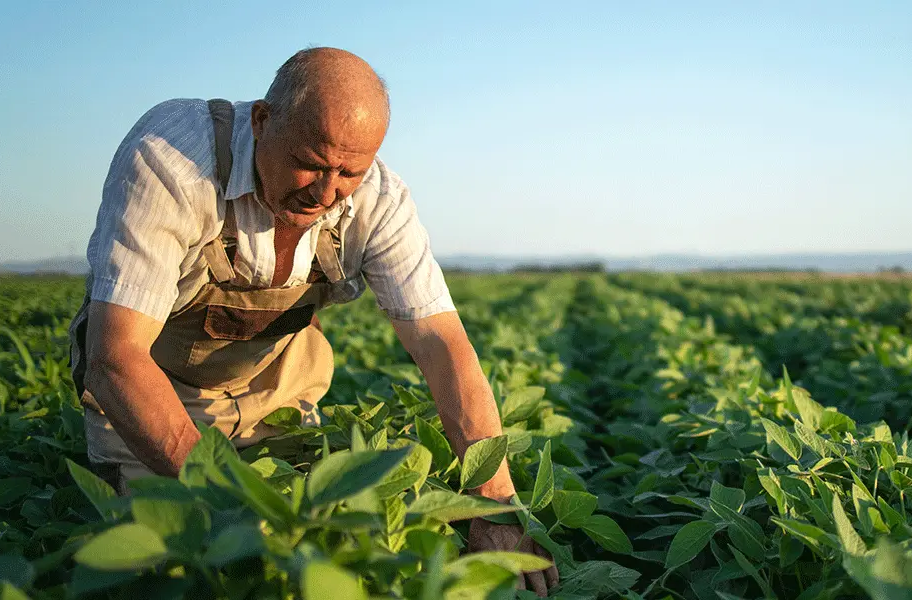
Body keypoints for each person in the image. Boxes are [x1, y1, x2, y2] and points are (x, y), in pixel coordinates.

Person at [66, 47, 559, 595]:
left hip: (277, 390)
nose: (327, 192)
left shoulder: (380, 200)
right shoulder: (173, 159)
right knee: (181, 561)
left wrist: (491, 506)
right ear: (261, 120)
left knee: (326, 555)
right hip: (152, 397)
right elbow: (115, 360)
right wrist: (238, 507)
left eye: (350, 171)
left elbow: (441, 344)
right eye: (312, 162)